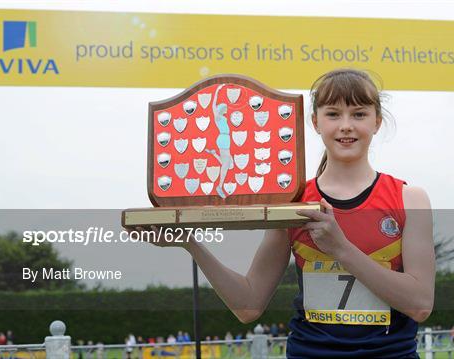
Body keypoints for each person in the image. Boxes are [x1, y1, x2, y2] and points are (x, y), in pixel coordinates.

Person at [141, 68, 435, 358]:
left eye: (359, 114)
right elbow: (248, 305)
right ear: (315, 122)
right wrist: (191, 244)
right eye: (333, 114)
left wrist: (341, 249)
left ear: (377, 122)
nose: (346, 125)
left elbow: (420, 304)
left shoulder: (409, 199)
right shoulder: (293, 203)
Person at [205, 83, 234, 199]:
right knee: (226, 164)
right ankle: (219, 186)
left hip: (225, 139)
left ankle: (213, 154)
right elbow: (213, 105)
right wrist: (217, 90)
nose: (227, 109)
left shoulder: (222, 117)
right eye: (225, 108)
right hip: (223, 139)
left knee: (229, 164)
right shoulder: (217, 116)